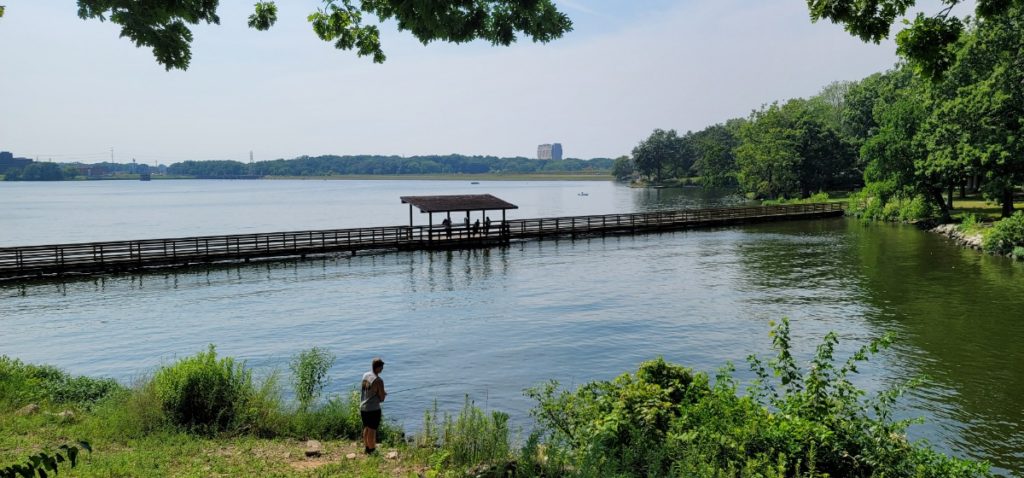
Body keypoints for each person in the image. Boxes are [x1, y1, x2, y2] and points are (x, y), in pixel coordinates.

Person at [360, 357, 387, 455]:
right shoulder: (379, 380)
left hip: (363, 407)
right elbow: (382, 398)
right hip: (373, 409)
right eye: (382, 367)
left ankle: (367, 448)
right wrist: (383, 394)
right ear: (378, 367)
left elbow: (369, 390)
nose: (382, 369)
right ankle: (372, 451)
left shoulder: (365, 375)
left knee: (366, 428)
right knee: (372, 429)